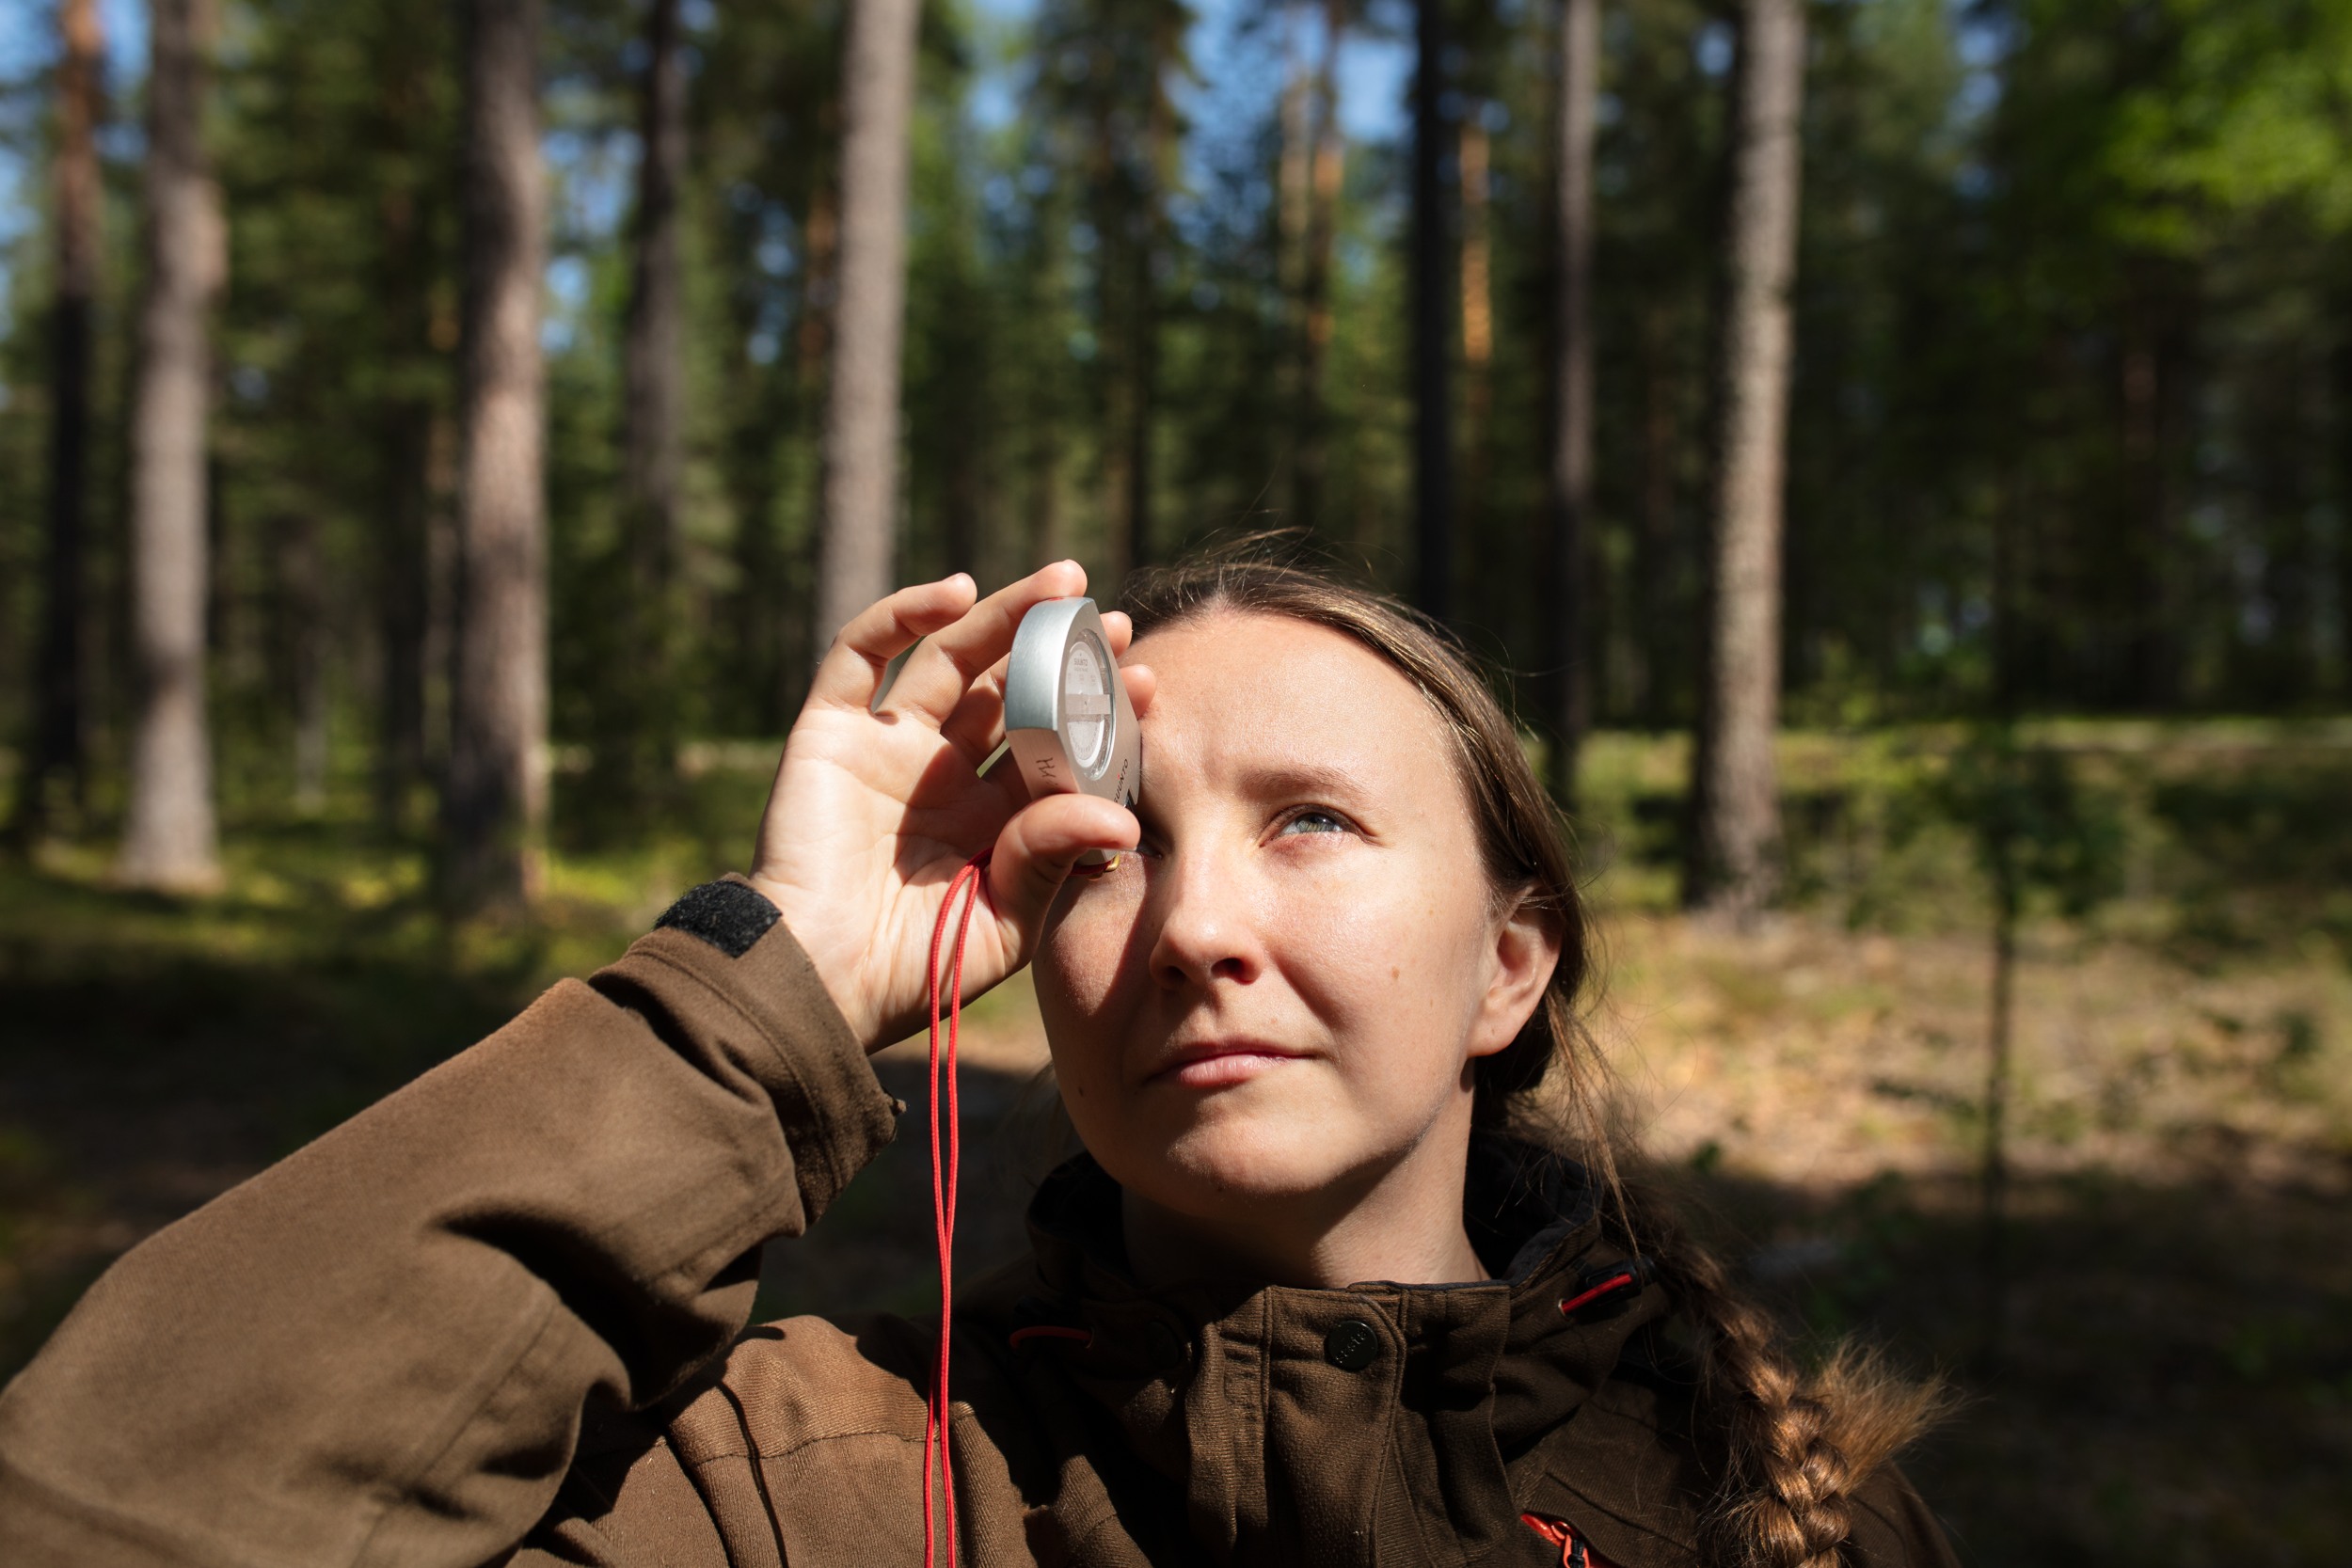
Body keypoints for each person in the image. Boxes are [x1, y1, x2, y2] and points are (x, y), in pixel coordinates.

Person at [0, 555, 1955, 1568]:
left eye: (1309, 824)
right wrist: (753, 999)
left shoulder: (1770, 1509)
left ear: (1504, 964)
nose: (1192, 928)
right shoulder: (794, 1494)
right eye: (1107, 852)